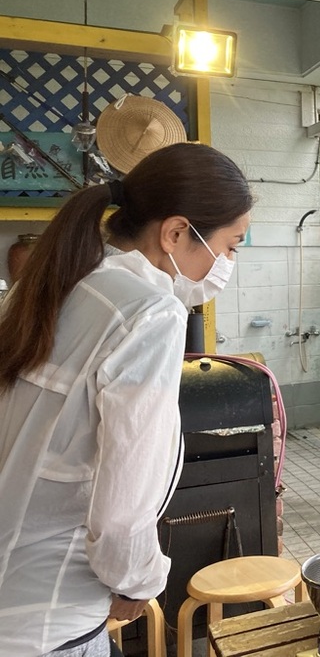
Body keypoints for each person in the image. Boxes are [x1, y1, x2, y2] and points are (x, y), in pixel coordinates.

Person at [0, 143, 253, 655]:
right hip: (52, 615)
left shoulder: (54, 285)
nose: (227, 263)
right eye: (230, 245)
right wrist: (138, 581)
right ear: (176, 232)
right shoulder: (150, 311)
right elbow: (123, 500)